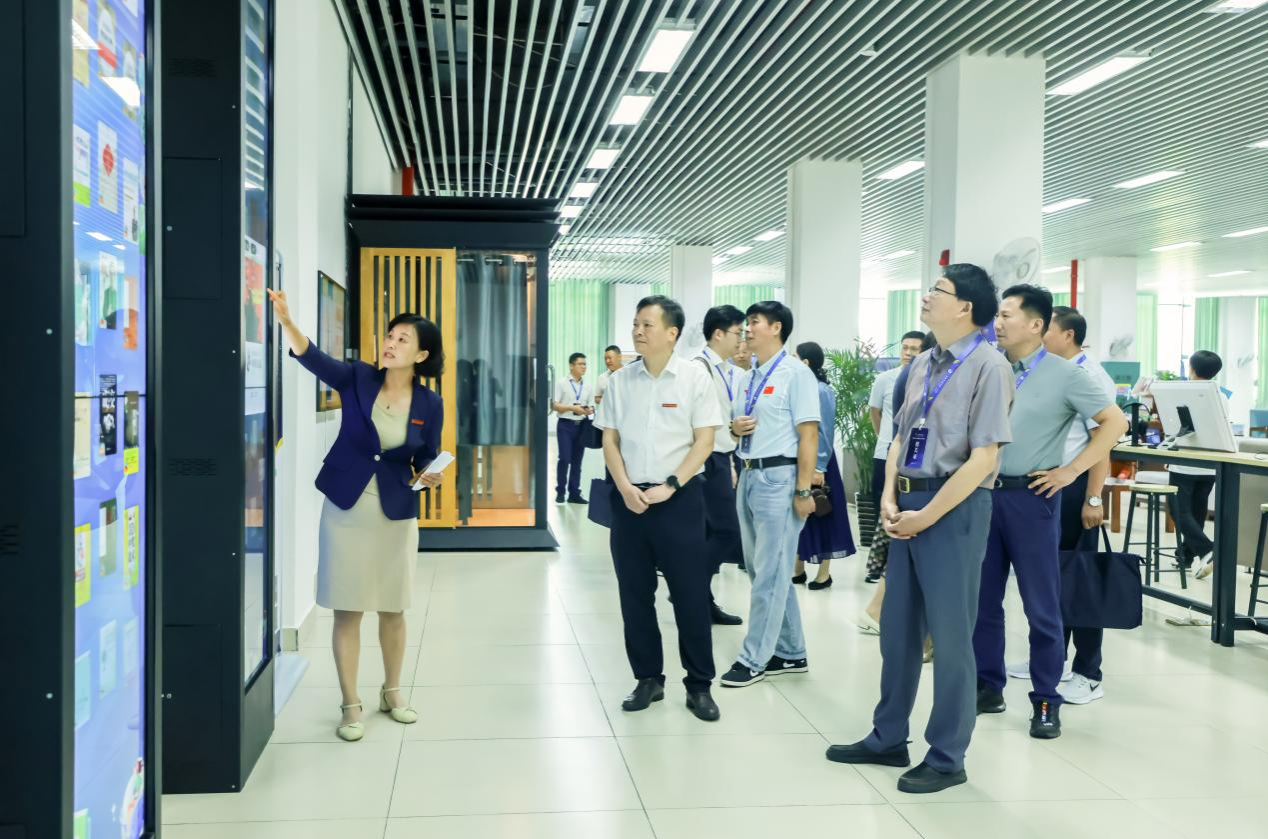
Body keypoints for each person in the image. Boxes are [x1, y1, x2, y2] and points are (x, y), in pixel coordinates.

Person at [826, 264, 1012, 795]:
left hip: (954, 509)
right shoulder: (921, 365)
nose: (927, 297)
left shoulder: (989, 366)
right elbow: (897, 439)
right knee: (898, 630)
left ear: (965, 308)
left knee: (951, 638)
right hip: (905, 504)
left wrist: (926, 515)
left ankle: (948, 756)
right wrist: (888, 496)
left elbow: (984, 458)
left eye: (938, 290)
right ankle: (888, 737)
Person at [268, 288, 444, 742]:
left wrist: (431, 473)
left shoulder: (430, 404)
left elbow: (426, 454)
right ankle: (350, 704)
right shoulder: (359, 378)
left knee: (393, 607)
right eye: (390, 335)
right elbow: (314, 359)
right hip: (346, 506)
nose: (391, 344)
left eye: (403, 340)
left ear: (421, 355)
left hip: (396, 510)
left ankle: (392, 691)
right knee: (348, 608)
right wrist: (287, 321)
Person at [973, 286, 1127, 741]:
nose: (997, 323)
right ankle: (987, 686)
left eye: (1006, 315)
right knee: (983, 601)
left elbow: (1115, 423)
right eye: (997, 315)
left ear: (1036, 324)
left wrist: (1071, 471)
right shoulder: (991, 367)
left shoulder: (1066, 374)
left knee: (1043, 606)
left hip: (1032, 499)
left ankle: (1045, 700)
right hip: (983, 496)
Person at [594, 295, 723, 722]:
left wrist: (672, 484)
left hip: (679, 501)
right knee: (635, 595)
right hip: (629, 501)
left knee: (689, 595)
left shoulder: (694, 378)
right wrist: (624, 486)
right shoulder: (620, 381)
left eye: (647, 324)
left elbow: (704, 441)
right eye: (635, 323)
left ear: (672, 333)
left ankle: (699, 685)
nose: (637, 331)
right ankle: (648, 679)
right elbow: (609, 439)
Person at [1005, 306, 1118, 704]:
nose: (1040, 335)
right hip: (1049, 487)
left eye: (1047, 328)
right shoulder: (1045, 371)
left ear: (1067, 335)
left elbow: (1103, 442)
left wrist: (1092, 497)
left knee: (1079, 582)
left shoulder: (1088, 376)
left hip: (1074, 488)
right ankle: (1054, 660)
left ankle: (1088, 672)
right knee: (1052, 582)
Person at [720, 301, 819, 687]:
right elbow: (738, 427)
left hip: (780, 478)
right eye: (746, 323)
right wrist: (735, 429)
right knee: (765, 570)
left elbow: (808, 436)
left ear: (776, 328)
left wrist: (803, 490)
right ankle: (791, 652)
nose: (747, 329)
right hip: (748, 473)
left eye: (754, 322)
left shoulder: (796, 374)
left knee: (770, 574)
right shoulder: (750, 377)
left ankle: (754, 658)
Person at [696, 306, 747, 625]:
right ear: (718, 333)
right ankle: (690, 584)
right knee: (727, 531)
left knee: (711, 532)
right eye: (737, 332)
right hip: (704, 460)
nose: (741, 339)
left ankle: (701, 598)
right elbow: (700, 422)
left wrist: (729, 460)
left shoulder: (727, 370)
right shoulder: (698, 368)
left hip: (720, 457)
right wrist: (730, 431)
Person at [863, 331, 926, 587]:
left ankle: (896, 567)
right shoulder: (886, 379)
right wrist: (887, 439)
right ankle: (878, 566)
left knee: (906, 508)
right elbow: (875, 412)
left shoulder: (926, 379)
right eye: (905, 347)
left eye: (914, 349)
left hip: (914, 456)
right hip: (886, 452)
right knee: (885, 508)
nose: (908, 353)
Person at [792, 341, 856, 588]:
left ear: (806, 363)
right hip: (802, 458)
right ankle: (798, 568)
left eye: (795, 357)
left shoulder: (821, 391)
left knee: (822, 512)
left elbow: (825, 431)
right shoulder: (801, 389)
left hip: (820, 462)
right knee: (801, 515)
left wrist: (819, 466)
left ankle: (824, 573)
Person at [1167, 350, 1224, 579]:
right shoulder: (1221, 396)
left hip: (1185, 463)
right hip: (1209, 465)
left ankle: (1208, 550)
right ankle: (1185, 556)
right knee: (1197, 512)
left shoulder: (1185, 393)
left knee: (1178, 511)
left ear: (1191, 368)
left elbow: (1174, 426)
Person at [553, 352, 594, 504]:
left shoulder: (588, 386)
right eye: (580, 364)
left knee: (577, 462)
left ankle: (574, 494)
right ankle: (560, 491)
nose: (584, 367)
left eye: (585, 364)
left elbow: (592, 406)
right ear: (571, 365)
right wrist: (572, 408)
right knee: (564, 458)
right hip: (565, 425)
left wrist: (589, 410)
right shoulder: (561, 383)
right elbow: (554, 405)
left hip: (581, 426)